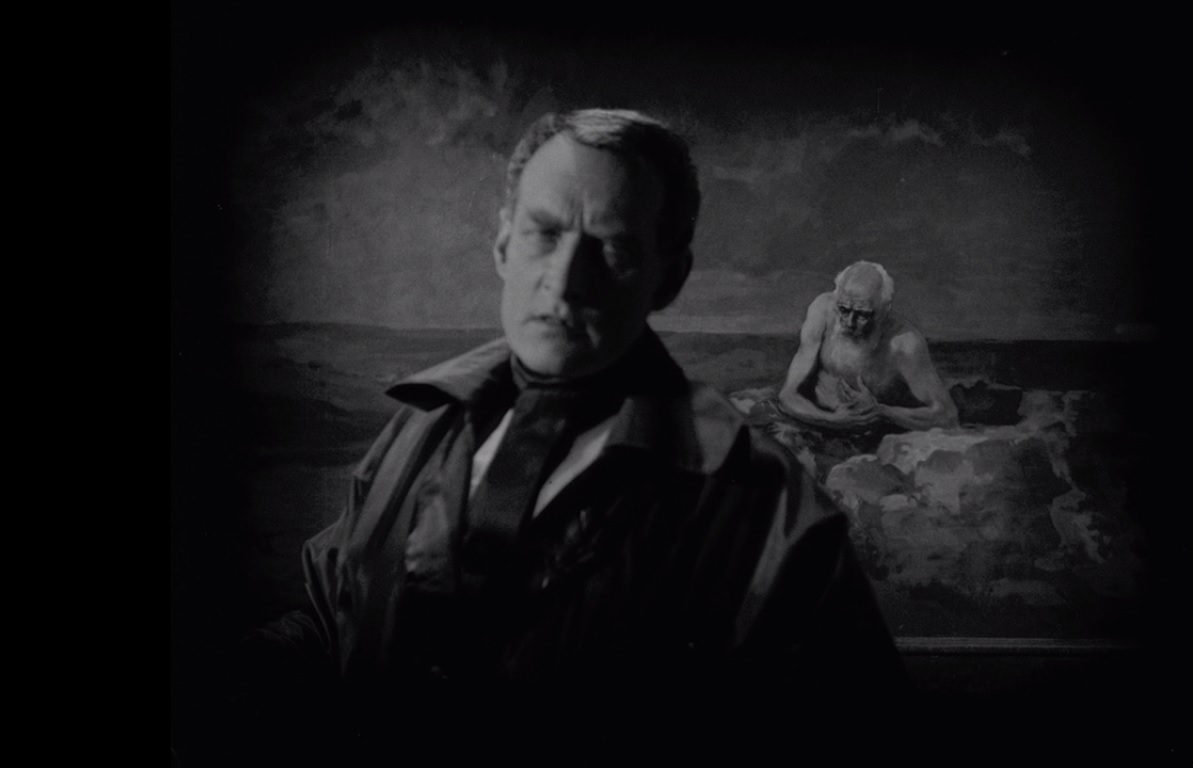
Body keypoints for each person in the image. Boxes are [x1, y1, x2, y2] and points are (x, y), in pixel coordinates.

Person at [227, 109, 906, 765]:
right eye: (544, 234)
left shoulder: (764, 504)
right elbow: (333, 621)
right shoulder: (423, 426)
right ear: (503, 245)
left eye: (612, 248)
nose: (566, 279)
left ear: (668, 276)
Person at [777, 261, 958, 432]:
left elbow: (947, 416)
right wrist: (834, 421)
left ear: (885, 309)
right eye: (843, 310)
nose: (849, 322)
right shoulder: (822, 312)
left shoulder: (904, 343)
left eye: (862, 314)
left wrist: (882, 411)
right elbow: (787, 397)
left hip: (872, 433)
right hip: (816, 424)